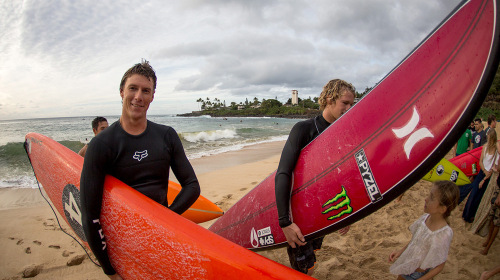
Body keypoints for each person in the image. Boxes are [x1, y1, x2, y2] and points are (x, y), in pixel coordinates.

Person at [80, 61, 201, 279]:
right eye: (133, 88)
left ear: (153, 96)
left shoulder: (166, 136)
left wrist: (166, 220)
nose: (138, 96)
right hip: (124, 245)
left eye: (146, 91)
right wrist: (109, 270)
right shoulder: (101, 145)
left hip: (161, 239)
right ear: (121, 92)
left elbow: (192, 186)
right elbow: (90, 215)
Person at [275, 79, 354, 276]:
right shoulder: (303, 129)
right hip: (299, 214)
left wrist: (346, 213)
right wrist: (285, 222)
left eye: (352, 104)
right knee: (301, 268)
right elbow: (283, 173)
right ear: (329, 99)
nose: (349, 108)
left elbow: (340, 175)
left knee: (310, 261)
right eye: (345, 103)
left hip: (323, 211)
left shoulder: (342, 134)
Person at [388, 181, 459, 280]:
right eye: (429, 195)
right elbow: (415, 240)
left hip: (416, 275)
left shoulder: (443, 234)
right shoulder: (425, 218)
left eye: (432, 198)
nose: (426, 199)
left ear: (442, 209)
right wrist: (400, 251)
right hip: (407, 264)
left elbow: (440, 265)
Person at [462, 130, 499, 223]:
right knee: (473, 193)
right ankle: (466, 214)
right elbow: (480, 161)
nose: (488, 139)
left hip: (488, 175)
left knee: (480, 197)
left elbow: (494, 165)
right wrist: (484, 171)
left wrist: (486, 176)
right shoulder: (485, 147)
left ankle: (472, 216)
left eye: (490, 138)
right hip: (482, 173)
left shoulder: (496, 150)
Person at [480, 175, 500, 255]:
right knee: (492, 216)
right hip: (498, 187)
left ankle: (488, 247)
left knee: (497, 222)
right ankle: (488, 240)